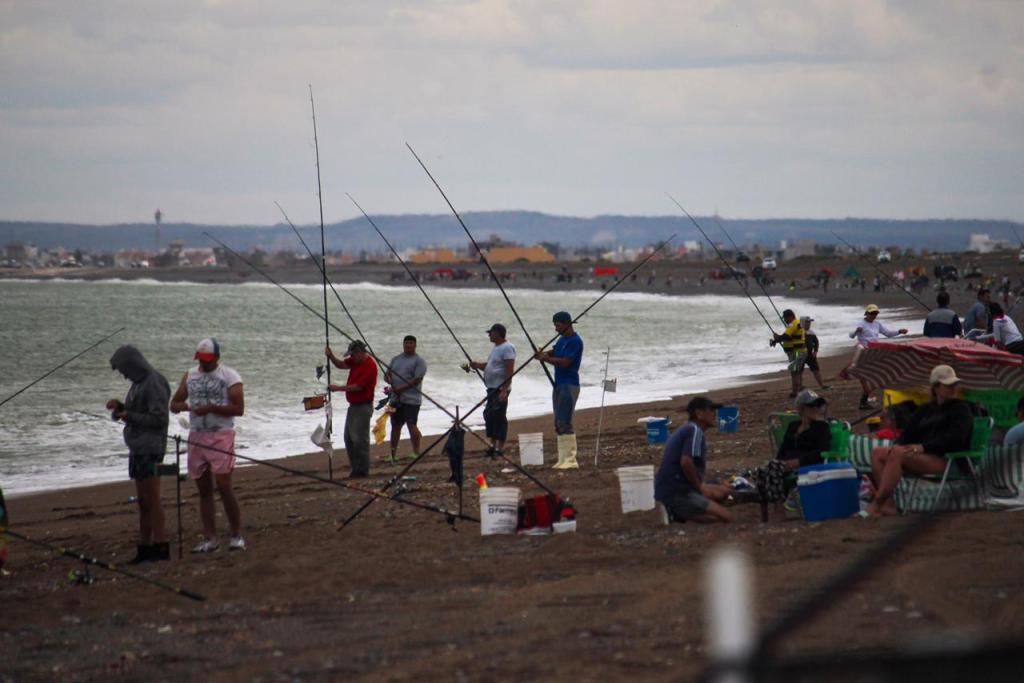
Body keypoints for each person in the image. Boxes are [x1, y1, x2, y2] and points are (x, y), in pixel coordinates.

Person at [170, 338, 245, 552]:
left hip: (221, 434)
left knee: (223, 486)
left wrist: (211, 408)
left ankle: (236, 535)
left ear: (217, 358)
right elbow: (173, 404)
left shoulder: (229, 376)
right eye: (201, 360)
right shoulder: (190, 375)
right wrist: (185, 406)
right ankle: (210, 538)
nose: (204, 364)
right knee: (203, 490)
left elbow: (238, 408)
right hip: (196, 436)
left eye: (207, 360)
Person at [867, 365, 973, 516]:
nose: (953, 388)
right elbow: (909, 433)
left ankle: (877, 502)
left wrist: (923, 447)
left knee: (898, 453)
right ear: (936, 387)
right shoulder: (926, 410)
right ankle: (888, 504)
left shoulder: (961, 409)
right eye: (948, 385)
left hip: (949, 460)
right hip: (926, 456)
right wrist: (897, 445)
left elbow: (955, 440)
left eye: (954, 384)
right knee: (879, 453)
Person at [108, 346, 171, 563]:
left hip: (151, 448)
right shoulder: (138, 383)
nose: (123, 374)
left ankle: (161, 546)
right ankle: (145, 548)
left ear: (133, 364)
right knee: (143, 502)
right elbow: (138, 411)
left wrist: (130, 416)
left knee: (152, 499)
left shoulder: (154, 382)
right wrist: (121, 408)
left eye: (124, 369)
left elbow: (160, 419)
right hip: (137, 448)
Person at [654, 396, 733, 523]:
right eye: (711, 410)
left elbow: (690, 466)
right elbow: (686, 462)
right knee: (726, 516)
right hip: (678, 491)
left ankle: (679, 514)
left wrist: (711, 484)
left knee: (722, 491)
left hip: (669, 488)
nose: (715, 414)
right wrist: (700, 488)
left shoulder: (688, 428)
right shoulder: (695, 430)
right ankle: (674, 513)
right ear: (699, 414)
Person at [535, 311, 584, 469]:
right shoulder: (562, 340)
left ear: (566, 324)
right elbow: (553, 352)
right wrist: (542, 354)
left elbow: (565, 362)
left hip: (569, 385)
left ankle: (570, 460)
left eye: (557, 325)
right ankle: (562, 459)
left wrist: (546, 359)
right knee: (558, 423)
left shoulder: (576, 341)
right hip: (559, 384)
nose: (555, 329)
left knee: (565, 421)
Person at [326, 340, 379, 478]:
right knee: (348, 438)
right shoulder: (356, 361)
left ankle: (362, 470)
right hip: (353, 406)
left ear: (361, 352)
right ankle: (356, 468)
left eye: (353, 354)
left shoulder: (370, 366)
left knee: (360, 440)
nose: (352, 358)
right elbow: (341, 364)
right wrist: (331, 356)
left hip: (363, 406)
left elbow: (358, 387)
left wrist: (338, 388)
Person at [464, 324, 515, 457]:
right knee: (489, 415)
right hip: (491, 388)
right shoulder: (495, 348)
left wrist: (505, 389)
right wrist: (477, 365)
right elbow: (491, 366)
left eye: (491, 333)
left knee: (498, 416)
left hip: (500, 388)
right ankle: (492, 445)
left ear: (498, 333)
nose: (489, 335)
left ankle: (500, 447)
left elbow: (509, 370)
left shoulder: (507, 348)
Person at [845, 304, 908, 409]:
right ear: (867, 313)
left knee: (875, 376)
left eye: (875, 313)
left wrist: (899, 331)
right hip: (863, 352)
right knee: (865, 377)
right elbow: (851, 335)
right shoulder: (860, 323)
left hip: (874, 352)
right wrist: (856, 331)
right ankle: (863, 400)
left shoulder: (877, 324)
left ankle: (864, 400)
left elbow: (887, 333)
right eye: (872, 313)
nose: (874, 315)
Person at [384, 335, 427, 464]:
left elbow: (417, 379)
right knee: (395, 425)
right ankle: (392, 454)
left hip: (412, 400)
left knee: (411, 424)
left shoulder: (419, 361)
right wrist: (389, 380)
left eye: (410, 343)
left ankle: (416, 452)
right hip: (395, 399)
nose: (408, 345)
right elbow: (386, 375)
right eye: (406, 343)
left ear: (415, 345)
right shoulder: (395, 359)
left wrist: (401, 388)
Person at [770, 309, 806, 398]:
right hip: (800, 352)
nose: (784, 320)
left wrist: (776, 339)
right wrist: (777, 339)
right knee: (797, 372)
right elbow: (789, 338)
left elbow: (786, 336)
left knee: (794, 373)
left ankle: (796, 392)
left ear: (790, 317)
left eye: (785, 318)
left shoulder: (793, 324)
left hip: (797, 353)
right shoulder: (797, 323)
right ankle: (797, 390)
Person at [799, 316, 831, 391]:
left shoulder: (811, 332)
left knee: (816, 370)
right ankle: (799, 387)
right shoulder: (799, 332)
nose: (809, 324)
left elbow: (816, 342)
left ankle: (822, 385)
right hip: (800, 354)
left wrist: (815, 351)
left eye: (809, 322)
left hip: (810, 354)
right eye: (807, 322)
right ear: (803, 322)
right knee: (799, 371)